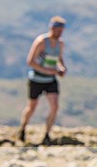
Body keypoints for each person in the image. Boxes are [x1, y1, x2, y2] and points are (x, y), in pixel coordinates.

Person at [18, 16, 67, 145]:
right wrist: (47, 71)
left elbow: (59, 59)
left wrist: (61, 68)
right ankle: (22, 128)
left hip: (51, 80)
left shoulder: (60, 43)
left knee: (55, 107)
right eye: (58, 30)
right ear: (52, 28)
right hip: (37, 79)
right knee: (32, 107)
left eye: (62, 30)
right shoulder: (41, 41)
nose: (60, 33)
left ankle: (47, 135)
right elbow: (30, 61)